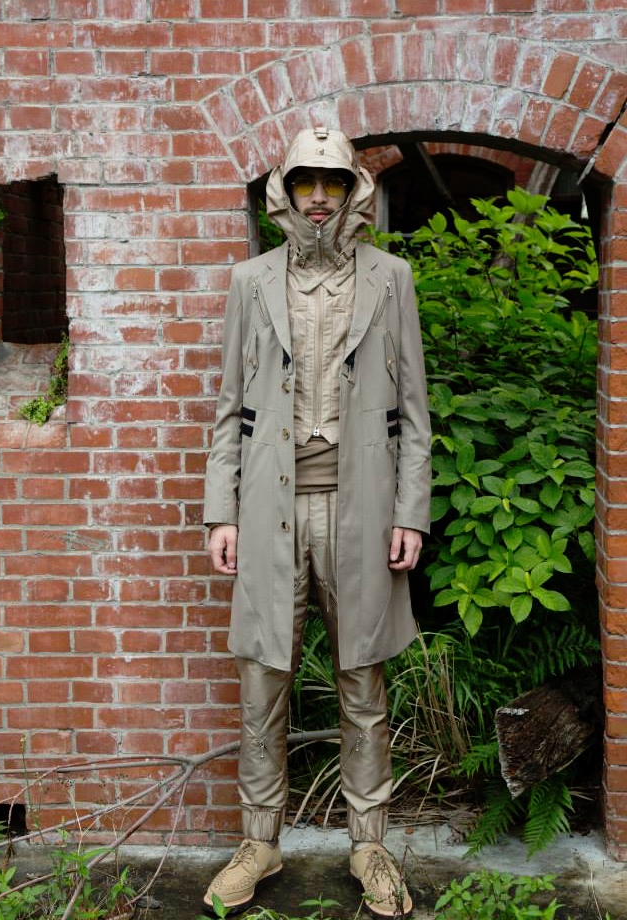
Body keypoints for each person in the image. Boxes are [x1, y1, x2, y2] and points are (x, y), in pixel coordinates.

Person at [202, 127, 431, 918]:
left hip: (360, 510)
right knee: (262, 679)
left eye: (334, 182)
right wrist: (221, 512)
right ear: (287, 192)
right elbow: (230, 408)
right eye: (307, 182)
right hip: (270, 508)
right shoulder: (251, 281)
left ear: (354, 191)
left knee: (362, 681)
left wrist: (410, 512)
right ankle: (259, 843)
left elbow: (414, 412)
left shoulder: (391, 278)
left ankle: (369, 844)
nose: (321, 198)